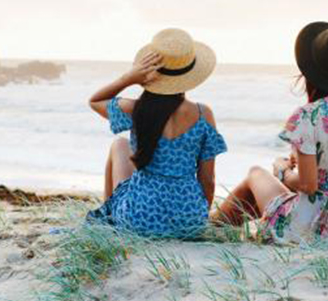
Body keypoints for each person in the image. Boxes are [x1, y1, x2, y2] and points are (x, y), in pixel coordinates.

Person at [212, 22, 328, 244]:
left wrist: (282, 170)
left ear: (309, 73)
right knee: (277, 197)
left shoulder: (308, 115)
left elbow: (308, 186)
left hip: (305, 227)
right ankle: (220, 226)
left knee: (256, 173)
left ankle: (212, 227)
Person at [87, 28, 227, 239]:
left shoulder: (135, 110)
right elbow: (208, 179)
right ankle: (114, 217)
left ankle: (110, 221)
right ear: (189, 75)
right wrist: (198, 218)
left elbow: (95, 101)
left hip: (138, 216)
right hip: (188, 219)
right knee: (123, 146)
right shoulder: (203, 114)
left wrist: (129, 78)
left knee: (119, 145)